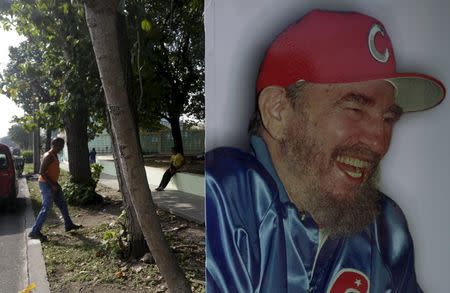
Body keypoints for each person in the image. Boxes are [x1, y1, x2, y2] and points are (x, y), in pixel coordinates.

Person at [206, 10, 446, 293]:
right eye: (355, 109)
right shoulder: (225, 196)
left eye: (388, 119)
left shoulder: (385, 230)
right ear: (278, 111)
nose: (379, 143)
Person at [28, 137, 82, 242]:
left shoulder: (54, 155)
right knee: (46, 207)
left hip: (53, 183)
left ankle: (68, 224)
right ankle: (34, 231)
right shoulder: (49, 156)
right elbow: (42, 172)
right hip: (46, 184)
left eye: (62, 145)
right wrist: (52, 185)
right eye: (60, 145)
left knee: (62, 204)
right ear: (55, 145)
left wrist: (55, 184)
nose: (61, 148)